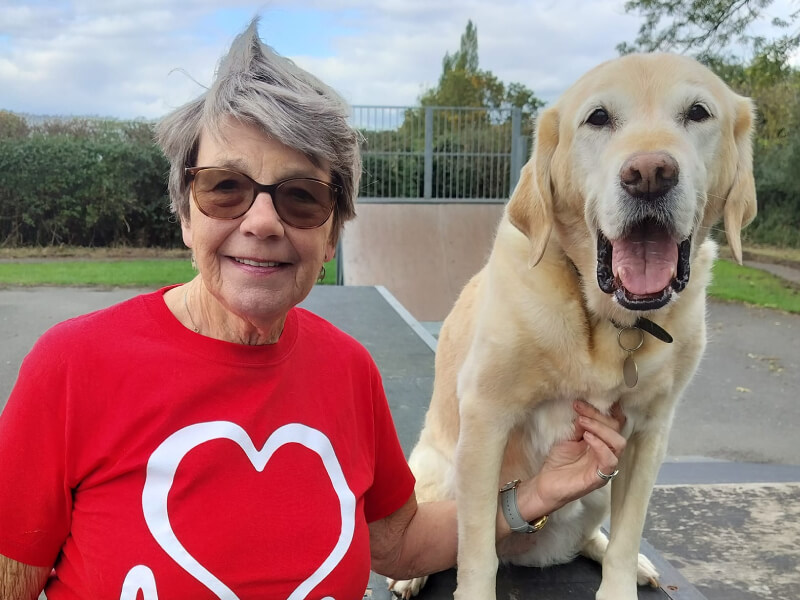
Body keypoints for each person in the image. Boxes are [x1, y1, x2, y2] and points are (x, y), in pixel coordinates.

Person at [0, 19, 627, 600]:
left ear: (331, 236)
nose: (264, 221)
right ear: (185, 211)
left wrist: (538, 493)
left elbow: (402, 543)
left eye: (301, 197)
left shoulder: (348, 371)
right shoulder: (76, 365)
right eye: (226, 188)